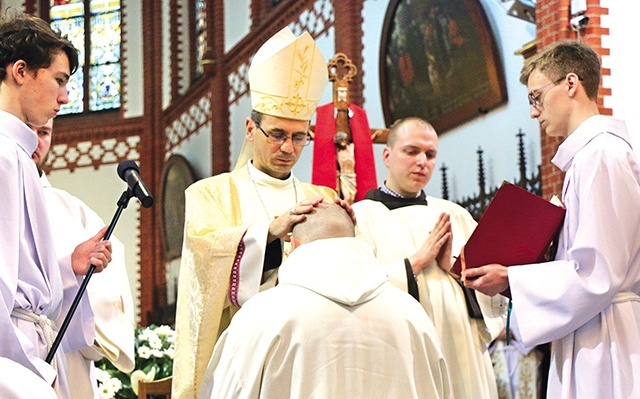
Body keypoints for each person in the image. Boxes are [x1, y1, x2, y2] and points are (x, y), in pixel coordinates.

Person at [173, 27, 351, 398]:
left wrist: (348, 230)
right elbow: (203, 273)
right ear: (251, 128)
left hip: (314, 351)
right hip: (244, 354)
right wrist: (269, 232)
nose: (288, 147)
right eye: (277, 134)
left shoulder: (323, 196)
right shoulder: (209, 194)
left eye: (299, 136)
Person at [462, 41, 640, 398]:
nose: (533, 112)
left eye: (536, 97)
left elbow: (598, 273)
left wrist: (513, 276)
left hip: (607, 338)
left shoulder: (602, 155)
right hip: (589, 326)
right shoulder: (586, 159)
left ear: (571, 84)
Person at [198, 202, 452, 399]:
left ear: (294, 245)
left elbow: (227, 391)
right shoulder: (411, 313)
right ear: (354, 240)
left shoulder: (260, 315)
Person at [352, 117, 507, 399]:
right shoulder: (360, 217)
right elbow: (355, 290)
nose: (422, 161)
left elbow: (492, 289)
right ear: (387, 155)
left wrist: (454, 269)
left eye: (430, 154)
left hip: (462, 353)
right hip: (401, 354)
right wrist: (414, 264)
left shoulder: (454, 214)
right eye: (411, 151)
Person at [0, 11, 112, 398]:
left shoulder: (17, 154)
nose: (65, 97)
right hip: (13, 362)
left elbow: (18, 278)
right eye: (59, 80)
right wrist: (26, 373)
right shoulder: (2, 154)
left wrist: (67, 267)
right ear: (20, 71)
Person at [31, 118, 136, 398]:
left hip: (67, 357)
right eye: (28, 130)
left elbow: (105, 293)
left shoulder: (74, 210)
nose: (35, 141)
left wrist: (78, 274)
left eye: (43, 133)